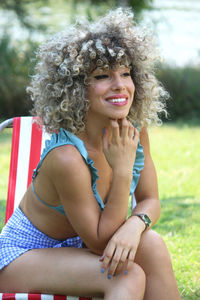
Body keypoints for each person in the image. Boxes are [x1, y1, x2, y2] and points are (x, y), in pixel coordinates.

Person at [0, 8, 181, 300]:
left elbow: (150, 200)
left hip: (79, 245)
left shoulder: (134, 130)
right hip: (25, 255)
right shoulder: (66, 157)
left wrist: (135, 225)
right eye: (102, 76)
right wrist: (122, 171)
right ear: (75, 88)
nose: (119, 85)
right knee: (126, 274)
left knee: (153, 245)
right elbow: (100, 243)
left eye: (125, 73)